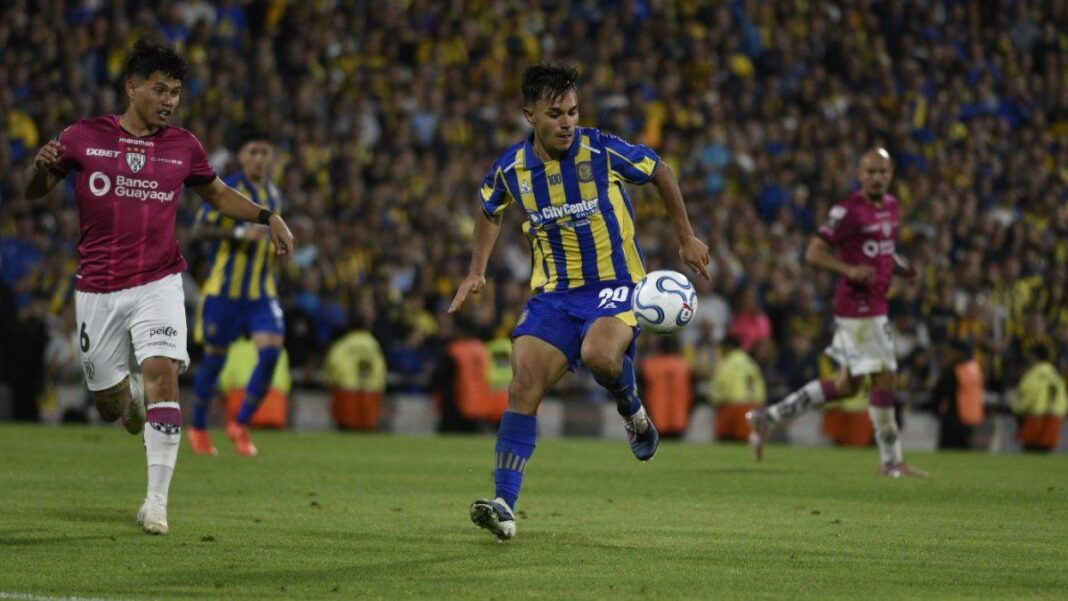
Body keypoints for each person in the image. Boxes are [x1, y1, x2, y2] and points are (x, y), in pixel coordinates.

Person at [24, 40, 294, 534]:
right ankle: (129, 398)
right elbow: (33, 191)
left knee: (163, 372)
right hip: (98, 289)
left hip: (159, 280)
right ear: (132, 87)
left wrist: (266, 216)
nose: (169, 100)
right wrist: (40, 170)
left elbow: (217, 194)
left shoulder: (183, 146)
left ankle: (156, 502)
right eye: (159, 89)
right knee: (110, 404)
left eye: (175, 92)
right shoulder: (83, 136)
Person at [448, 63, 710, 540]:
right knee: (523, 385)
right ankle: (505, 505)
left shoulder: (601, 150)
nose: (567, 122)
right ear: (530, 116)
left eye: (572, 111)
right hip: (555, 295)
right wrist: (477, 270)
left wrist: (686, 238)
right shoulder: (512, 168)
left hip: (616, 285)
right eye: (555, 114)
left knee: (599, 355)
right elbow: (489, 208)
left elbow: (660, 170)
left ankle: (631, 408)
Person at [747, 148, 925, 478]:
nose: (877, 177)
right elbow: (814, 252)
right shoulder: (847, 211)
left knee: (847, 386)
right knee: (886, 376)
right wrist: (849, 269)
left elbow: (885, 252)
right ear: (860, 174)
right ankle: (891, 462)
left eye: (883, 172)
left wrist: (905, 270)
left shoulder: (891, 206)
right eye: (870, 171)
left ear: (891, 175)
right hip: (859, 307)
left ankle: (768, 417)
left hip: (876, 303)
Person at [189, 125, 286, 457]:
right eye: (252, 152)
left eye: (264, 152)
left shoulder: (274, 195)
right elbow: (199, 230)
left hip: (261, 292)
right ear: (241, 156)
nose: (259, 158)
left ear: (272, 157)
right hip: (224, 293)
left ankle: (240, 424)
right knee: (214, 362)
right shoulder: (227, 190)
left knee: (271, 353)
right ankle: (199, 428)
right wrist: (240, 235)